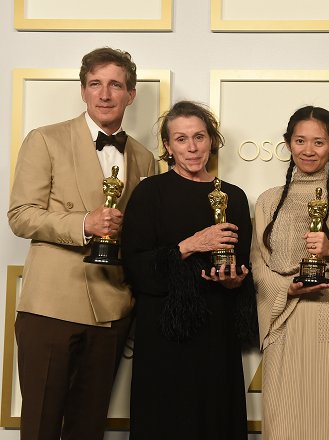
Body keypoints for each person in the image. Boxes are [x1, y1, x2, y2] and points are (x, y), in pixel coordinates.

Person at [7, 47, 155, 440]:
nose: (105, 94)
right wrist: (84, 223)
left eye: (115, 85)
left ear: (131, 94)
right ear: (83, 91)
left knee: (88, 430)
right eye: (95, 84)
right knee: (39, 427)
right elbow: (21, 215)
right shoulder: (45, 139)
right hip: (51, 306)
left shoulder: (144, 157)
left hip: (111, 309)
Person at [120, 101, 256, 439]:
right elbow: (135, 267)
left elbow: (240, 268)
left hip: (217, 329)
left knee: (215, 418)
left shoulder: (234, 197)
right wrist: (193, 244)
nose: (192, 147)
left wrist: (234, 281)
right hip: (163, 333)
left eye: (199, 137)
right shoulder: (149, 193)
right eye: (181, 139)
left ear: (212, 140)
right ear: (167, 146)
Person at [251, 106, 329, 439]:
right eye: (300, 140)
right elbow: (259, 266)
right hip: (286, 323)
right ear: (288, 144)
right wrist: (286, 289)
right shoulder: (267, 201)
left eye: (318, 142)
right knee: (284, 422)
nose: (308, 150)